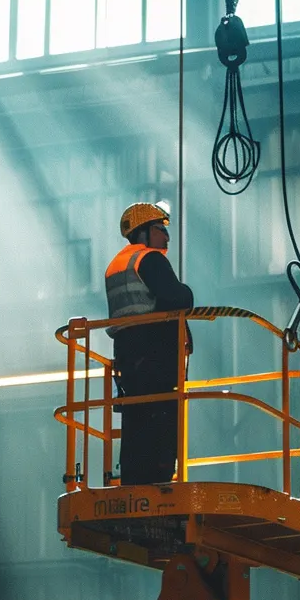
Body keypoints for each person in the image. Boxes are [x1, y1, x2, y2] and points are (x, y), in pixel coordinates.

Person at [105, 203, 194, 485]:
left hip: (128, 355)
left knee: (135, 414)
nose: (166, 238)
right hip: (154, 352)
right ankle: (161, 478)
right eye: (160, 230)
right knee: (162, 413)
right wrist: (187, 292)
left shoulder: (116, 265)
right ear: (144, 232)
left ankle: (133, 478)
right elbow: (178, 298)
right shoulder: (149, 259)